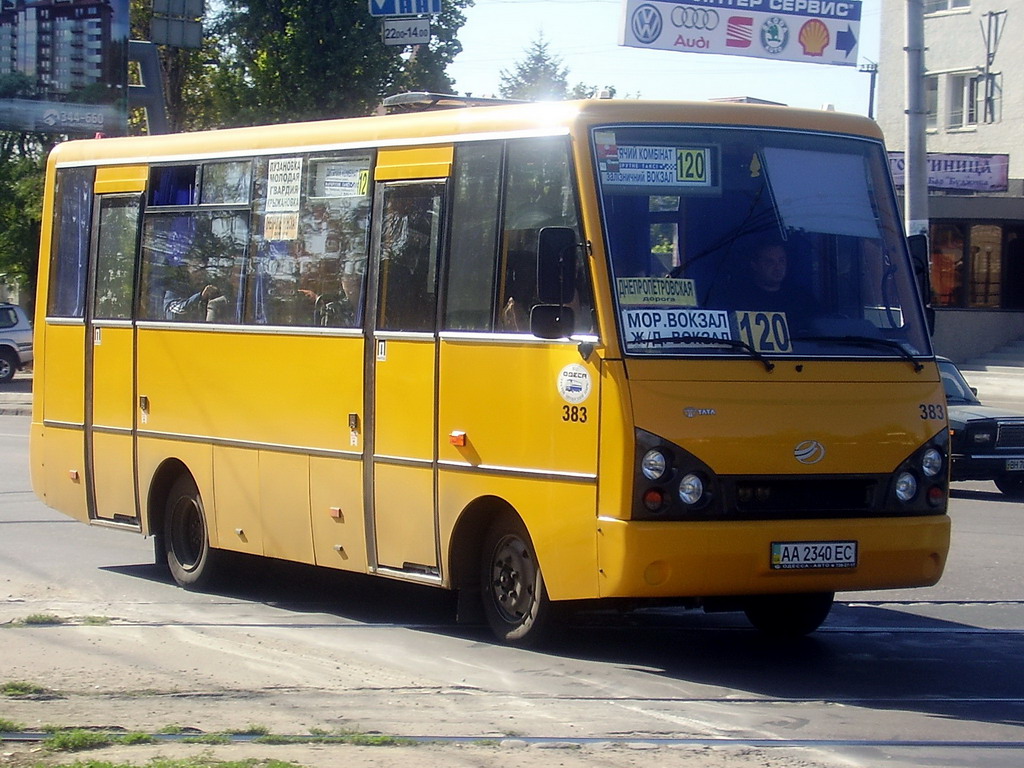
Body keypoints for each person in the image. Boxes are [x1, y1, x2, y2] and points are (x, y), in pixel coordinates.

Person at [733, 239, 817, 330]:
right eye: (769, 262)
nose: (778, 268)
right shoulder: (740, 298)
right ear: (755, 265)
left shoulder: (801, 298)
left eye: (781, 261)